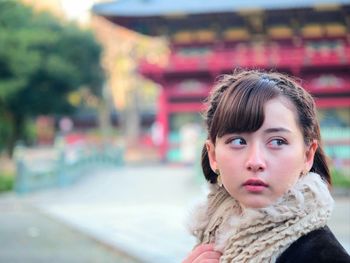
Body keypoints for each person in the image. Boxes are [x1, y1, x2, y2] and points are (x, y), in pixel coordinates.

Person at [182, 70, 350, 263]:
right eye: (238, 141)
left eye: (277, 142)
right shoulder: (212, 235)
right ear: (213, 155)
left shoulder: (322, 256)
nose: (255, 161)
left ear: (307, 155)